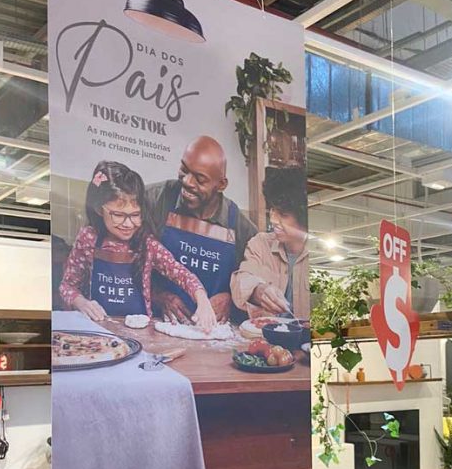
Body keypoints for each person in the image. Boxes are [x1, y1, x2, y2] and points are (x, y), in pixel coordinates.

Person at [59, 160, 216, 330]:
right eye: (118, 215)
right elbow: (67, 286)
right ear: (99, 209)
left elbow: (182, 274)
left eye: (135, 215)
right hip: (99, 331)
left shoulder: (147, 244)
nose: (128, 224)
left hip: (141, 333)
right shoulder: (88, 238)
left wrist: (202, 300)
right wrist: (81, 302)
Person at [147, 136, 257, 323]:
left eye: (200, 179)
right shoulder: (154, 200)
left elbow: (255, 285)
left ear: (221, 185)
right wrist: (157, 296)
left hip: (211, 330)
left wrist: (232, 299)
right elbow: (124, 260)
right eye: (184, 170)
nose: (187, 181)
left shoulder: (242, 228)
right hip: (158, 324)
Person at [231, 168, 309, 319]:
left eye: (283, 215)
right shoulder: (260, 244)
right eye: (272, 209)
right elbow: (242, 279)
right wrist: (258, 291)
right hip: (267, 333)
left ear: (303, 218)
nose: (273, 219)